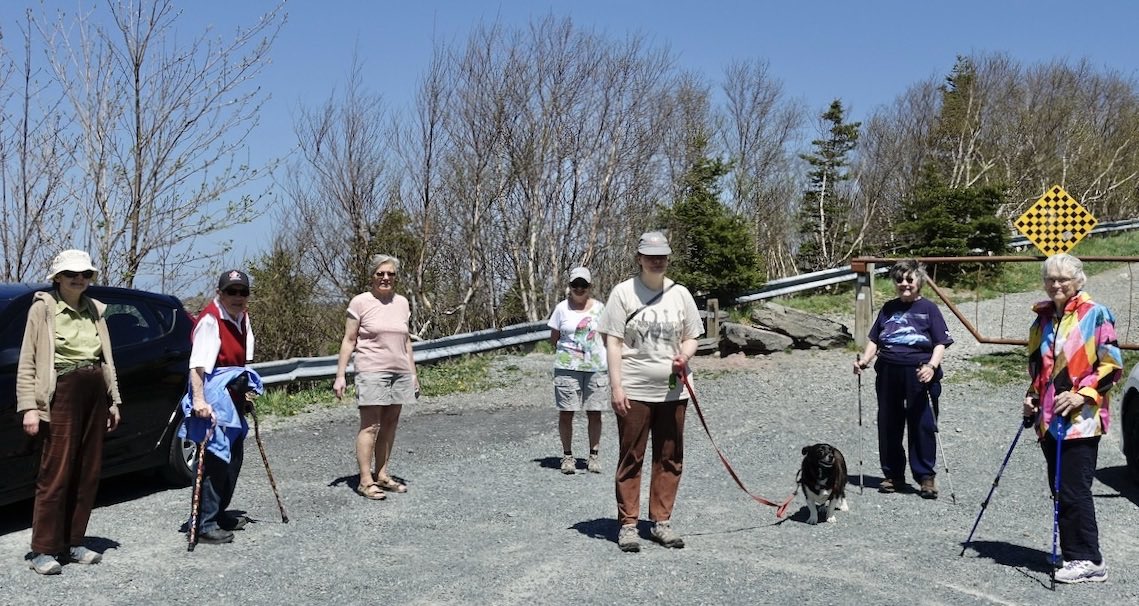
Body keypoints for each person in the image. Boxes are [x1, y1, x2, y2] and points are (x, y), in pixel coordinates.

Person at [17, 250, 123, 575]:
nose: (79, 278)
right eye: (72, 273)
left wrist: (114, 400)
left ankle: (73, 542)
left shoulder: (94, 310)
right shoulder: (43, 309)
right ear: (58, 277)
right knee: (56, 472)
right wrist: (30, 408)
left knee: (88, 472)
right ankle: (43, 549)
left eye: (85, 273)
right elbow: (28, 361)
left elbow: (106, 360)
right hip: (61, 393)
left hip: (94, 391)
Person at [597, 231, 703, 552]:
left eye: (662, 255)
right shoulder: (623, 293)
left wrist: (684, 355)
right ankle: (628, 524)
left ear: (668, 258)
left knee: (670, 457)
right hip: (634, 389)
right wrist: (616, 386)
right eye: (650, 255)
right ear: (639, 257)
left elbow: (692, 335)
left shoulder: (680, 294)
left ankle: (661, 521)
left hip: (674, 392)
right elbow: (612, 342)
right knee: (632, 456)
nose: (657, 260)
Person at [1023, 253, 1121, 584]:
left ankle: (1088, 559)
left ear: (1078, 280)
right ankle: (1075, 552)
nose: (1056, 284)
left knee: (1074, 489)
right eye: (1051, 278)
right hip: (1049, 418)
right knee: (1059, 487)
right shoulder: (1044, 318)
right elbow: (1040, 366)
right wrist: (1032, 396)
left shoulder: (1096, 314)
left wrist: (1083, 394)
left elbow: (1112, 366)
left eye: (1063, 278)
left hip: (1082, 419)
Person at [853, 259, 952, 499]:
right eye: (900, 280)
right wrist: (865, 360)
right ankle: (893, 475)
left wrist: (931, 366)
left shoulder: (929, 309)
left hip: (919, 371)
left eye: (909, 279)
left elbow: (940, 342)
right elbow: (875, 339)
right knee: (889, 423)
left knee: (923, 424)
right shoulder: (888, 308)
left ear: (919, 281)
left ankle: (926, 477)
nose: (904, 284)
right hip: (888, 370)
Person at [181, 269, 257, 545]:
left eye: (242, 292)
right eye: (231, 292)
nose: (237, 297)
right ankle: (203, 522)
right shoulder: (210, 321)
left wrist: (246, 391)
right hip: (212, 400)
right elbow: (197, 366)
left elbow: (241, 362)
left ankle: (216, 513)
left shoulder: (242, 317)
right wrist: (200, 402)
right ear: (220, 293)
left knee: (232, 459)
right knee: (214, 460)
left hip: (233, 395)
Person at [334, 254, 419, 500]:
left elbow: (406, 342)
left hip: (399, 370)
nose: (385, 278)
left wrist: (413, 373)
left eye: (390, 274)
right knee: (370, 425)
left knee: (390, 424)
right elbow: (349, 340)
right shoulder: (360, 302)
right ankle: (365, 480)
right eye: (380, 273)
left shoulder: (402, 303)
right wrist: (341, 375)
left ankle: (382, 474)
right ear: (372, 276)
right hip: (372, 370)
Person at [547, 267, 608, 474]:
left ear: (590, 287)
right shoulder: (561, 309)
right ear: (570, 287)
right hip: (567, 369)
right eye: (575, 285)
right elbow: (554, 338)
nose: (579, 289)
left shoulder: (600, 308)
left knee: (595, 413)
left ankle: (593, 455)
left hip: (596, 368)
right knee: (566, 413)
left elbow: (607, 337)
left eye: (583, 285)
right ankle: (567, 456)